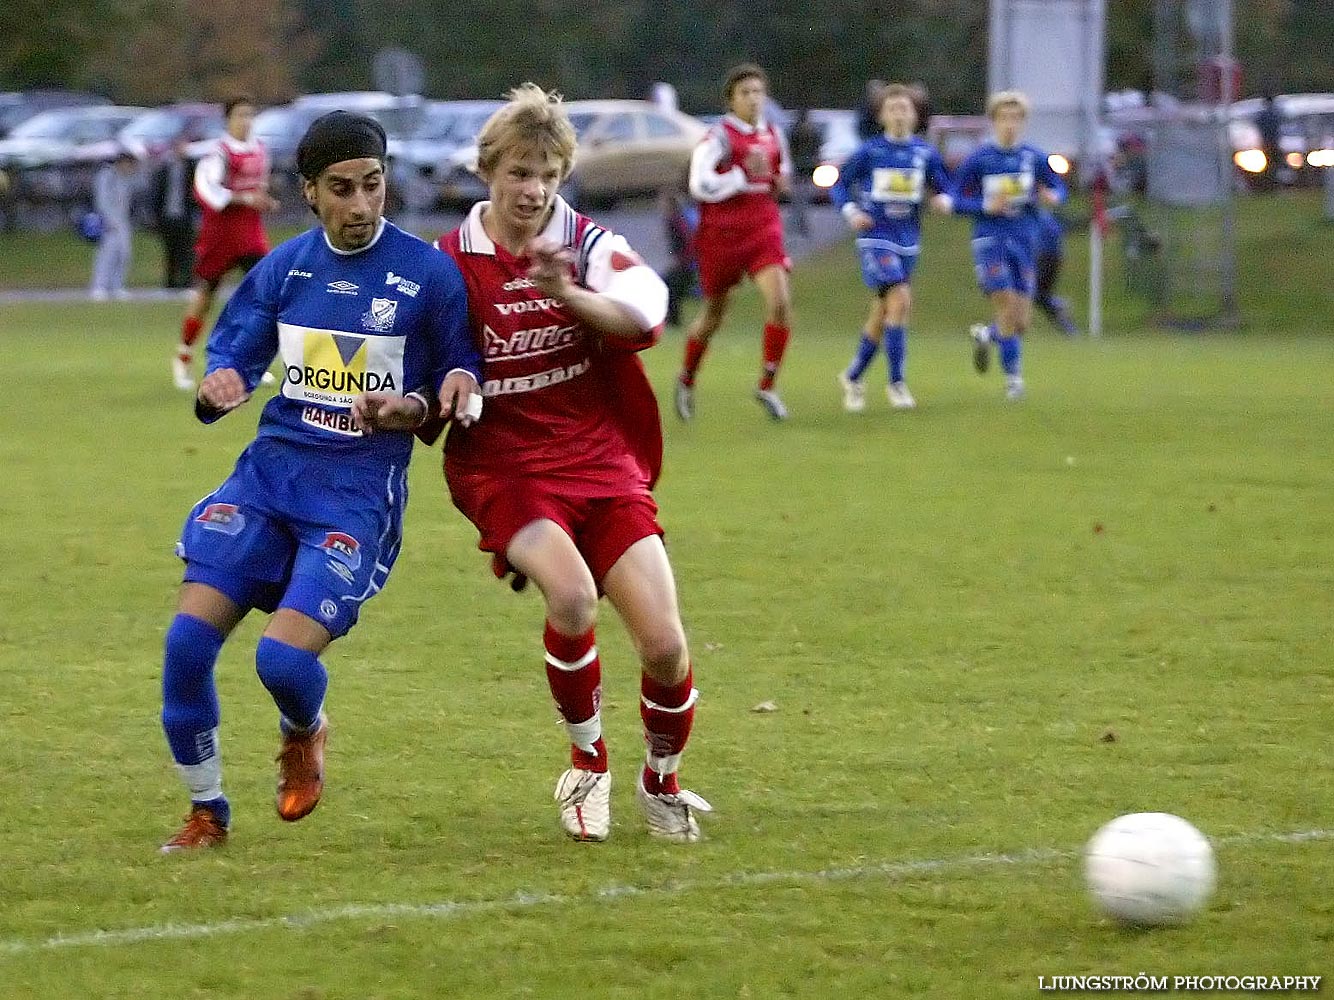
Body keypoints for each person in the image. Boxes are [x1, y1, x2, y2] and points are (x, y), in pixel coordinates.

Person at [158, 111, 482, 852]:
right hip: (269, 478)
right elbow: (233, 347)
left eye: (374, 185)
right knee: (185, 649)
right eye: (342, 189)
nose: (362, 204)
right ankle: (208, 812)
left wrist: (412, 407)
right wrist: (222, 380)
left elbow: (460, 370)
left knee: (281, 658)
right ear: (309, 191)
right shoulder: (286, 267)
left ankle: (305, 731)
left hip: (355, 493)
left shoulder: (428, 274)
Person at [434, 83, 711, 844]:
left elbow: (646, 313)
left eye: (549, 174)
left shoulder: (584, 245)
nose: (534, 189)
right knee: (573, 595)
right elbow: (425, 371)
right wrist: (420, 402)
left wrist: (571, 295)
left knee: (664, 644)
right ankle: (588, 763)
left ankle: (662, 781)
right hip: (505, 468)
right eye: (520, 172)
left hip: (599, 461)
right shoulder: (448, 262)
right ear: (488, 170)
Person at [675, 63, 795, 422]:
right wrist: (737, 179)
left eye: (759, 92)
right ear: (731, 100)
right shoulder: (719, 138)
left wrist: (779, 182)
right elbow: (700, 184)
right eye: (745, 93)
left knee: (780, 303)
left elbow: (782, 173)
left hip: (763, 229)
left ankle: (767, 385)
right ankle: (686, 379)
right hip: (721, 236)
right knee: (714, 314)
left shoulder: (773, 133)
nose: (754, 99)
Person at [832, 83, 952, 412]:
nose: (899, 114)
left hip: (908, 238)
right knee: (900, 299)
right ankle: (896, 383)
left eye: (905, 109)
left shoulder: (924, 153)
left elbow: (943, 184)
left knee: (884, 312)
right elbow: (839, 184)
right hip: (875, 236)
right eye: (893, 108)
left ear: (914, 116)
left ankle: (853, 376)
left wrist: (943, 198)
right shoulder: (869, 152)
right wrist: (851, 211)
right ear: (882, 115)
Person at [951, 91, 1065, 401]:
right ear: (993, 122)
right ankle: (1013, 379)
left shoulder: (1033, 157)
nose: (1010, 124)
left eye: (1016, 118)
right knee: (1006, 304)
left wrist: (1053, 196)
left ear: (1023, 122)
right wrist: (984, 206)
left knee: (1021, 321)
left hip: (1026, 240)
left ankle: (987, 335)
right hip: (990, 240)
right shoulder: (980, 159)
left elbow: (1057, 185)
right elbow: (955, 199)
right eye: (1004, 118)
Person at [172, 96, 279, 391]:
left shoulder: (259, 150)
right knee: (205, 296)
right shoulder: (218, 152)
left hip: (250, 232)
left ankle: (253, 361)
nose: (246, 121)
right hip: (220, 233)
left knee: (266, 296)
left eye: (250, 115)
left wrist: (262, 200)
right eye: (240, 115)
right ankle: (183, 357)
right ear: (228, 120)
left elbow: (258, 186)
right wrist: (243, 198)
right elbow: (206, 188)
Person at [89, 147, 139, 301]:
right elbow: (102, 200)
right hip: (109, 221)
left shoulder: (126, 178)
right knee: (107, 254)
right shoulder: (107, 176)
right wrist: (108, 219)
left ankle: (117, 286)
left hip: (123, 221)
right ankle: (99, 286)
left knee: (124, 254)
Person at [151, 135, 198, 290]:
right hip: (168, 216)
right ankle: (170, 282)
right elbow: (157, 193)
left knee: (186, 250)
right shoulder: (165, 168)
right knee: (170, 251)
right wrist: (156, 216)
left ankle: (187, 282)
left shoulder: (191, 168)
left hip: (185, 216)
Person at [658, 179, 698, 327]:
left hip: (685, 264)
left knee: (670, 288)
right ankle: (672, 320)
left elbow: (687, 242)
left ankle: (672, 320)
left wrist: (681, 260)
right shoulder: (673, 220)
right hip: (684, 262)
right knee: (669, 288)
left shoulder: (676, 221)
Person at [1033, 208, 1078, 335]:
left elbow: (1064, 228)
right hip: (1046, 257)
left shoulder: (1046, 216)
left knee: (1034, 293)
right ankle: (1058, 307)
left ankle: (1058, 305)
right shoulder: (1040, 215)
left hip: (1047, 257)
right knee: (1037, 294)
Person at [786, 108, 822, 237]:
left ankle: (798, 224)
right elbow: (817, 147)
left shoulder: (795, 131)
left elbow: (790, 148)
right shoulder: (812, 131)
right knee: (803, 198)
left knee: (798, 198)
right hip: (807, 167)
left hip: (800, 167)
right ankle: (801, 225)